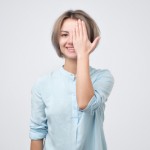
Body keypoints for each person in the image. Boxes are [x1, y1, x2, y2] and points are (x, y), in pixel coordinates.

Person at [29, 9, 114, 150]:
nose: (71, 41)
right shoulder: (42, 84)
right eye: (64, 35)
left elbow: (84, 103)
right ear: (57, 39)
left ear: (90, 39)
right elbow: (37, 133)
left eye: (78, 35)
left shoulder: (103, 77)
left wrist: (83, 54)